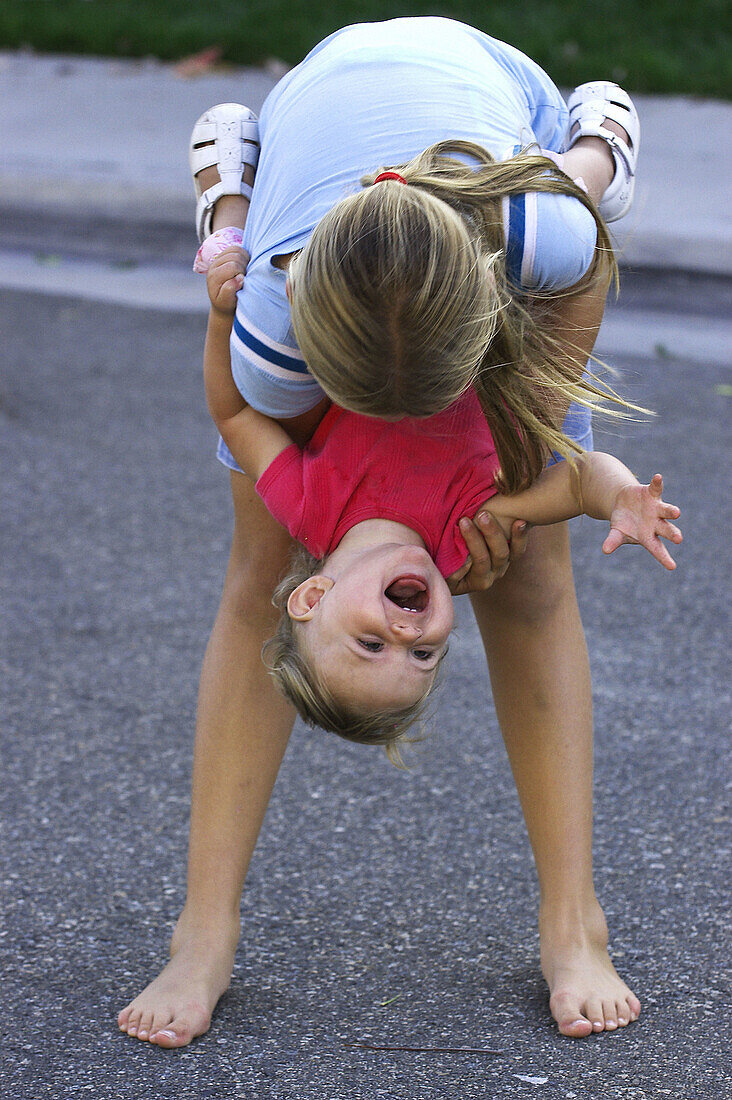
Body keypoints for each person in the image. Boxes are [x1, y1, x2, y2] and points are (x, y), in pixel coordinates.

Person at [118, 17, 647, 1045]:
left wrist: (527, 459)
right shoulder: (276, 343)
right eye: (418, 647)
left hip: (500, 142)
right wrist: (510, 490)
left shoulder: (541, 239)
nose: (411, 629)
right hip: (313, 205)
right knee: (256, 572)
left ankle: (574, 916)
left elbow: (579, 277)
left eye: (378, 639)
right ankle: (204, 923)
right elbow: (242, 406)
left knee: (532, 578)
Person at [202, 243, 680, 750]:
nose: (407, 638)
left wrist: (219, 315)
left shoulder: (304, 505)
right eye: (424, 657)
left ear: (313, 597)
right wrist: (621, 497)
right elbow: (579, 482)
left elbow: (234, 416)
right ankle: (587, 199)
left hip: (396, 276)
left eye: (371, 644)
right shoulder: (466, 534)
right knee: (576, 246)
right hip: (501, 299)